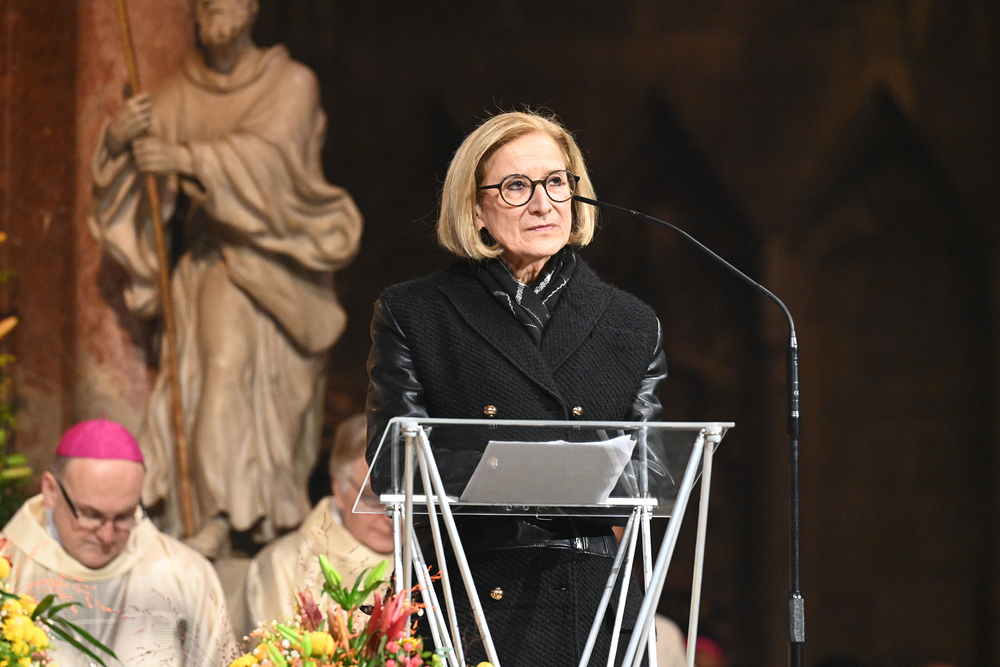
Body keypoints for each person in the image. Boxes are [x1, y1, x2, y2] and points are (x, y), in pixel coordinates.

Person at [366, 110, 667, 667]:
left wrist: (535, 469)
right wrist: (524, 470)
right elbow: (392, 466)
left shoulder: (632, 323)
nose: (542, 203)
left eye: (556, 182)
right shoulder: (417, 313)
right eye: (515, 187)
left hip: (595, 609)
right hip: (469, 599)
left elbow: (653, 475)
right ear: (475, 209)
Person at [89, 0, 363, 556]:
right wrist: (117, 144)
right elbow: (140, 177)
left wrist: (186, 159)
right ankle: (212, 511)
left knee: (258, 401)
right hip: (213, 266)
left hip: (278, 272)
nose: (215, 9)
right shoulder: (177, 92)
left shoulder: (289, 83)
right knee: (216, 376)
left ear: (252, 8)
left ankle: (255, 513)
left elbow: (271, 164)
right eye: (205, 3)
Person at [0, 419, 237, 667]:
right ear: (51, 490)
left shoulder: (186, 573)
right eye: (91, 515)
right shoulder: (8, 568)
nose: (107, 536)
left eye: (124, 516)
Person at [236, 414, 393, 639]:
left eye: (404, 500)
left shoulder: (431, 562)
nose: (391, 517)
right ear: (338, 488)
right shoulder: (286, 564)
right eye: (373, 499)